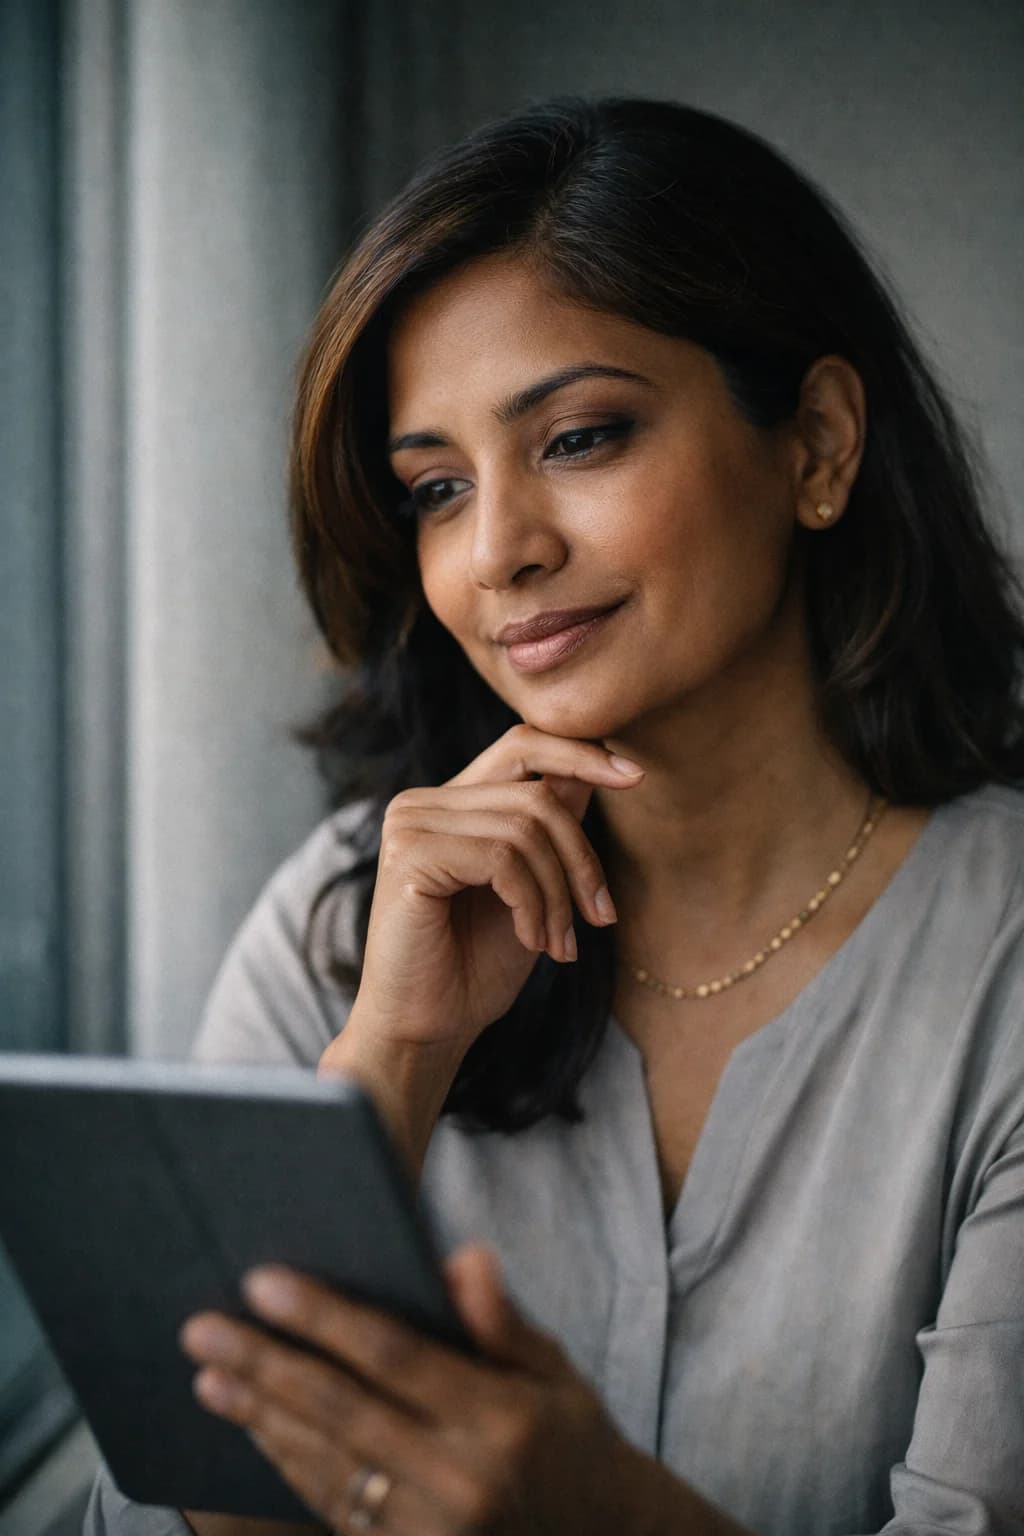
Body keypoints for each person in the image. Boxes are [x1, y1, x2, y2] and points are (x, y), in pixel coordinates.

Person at [85, 96, 1024, 1535]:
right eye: (435, 489)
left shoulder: (1003, 956)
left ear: (819, 445)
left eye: (580, 437)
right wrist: (391, 1061)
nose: (498, 552)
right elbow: (159, 1521)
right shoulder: (346, 914)